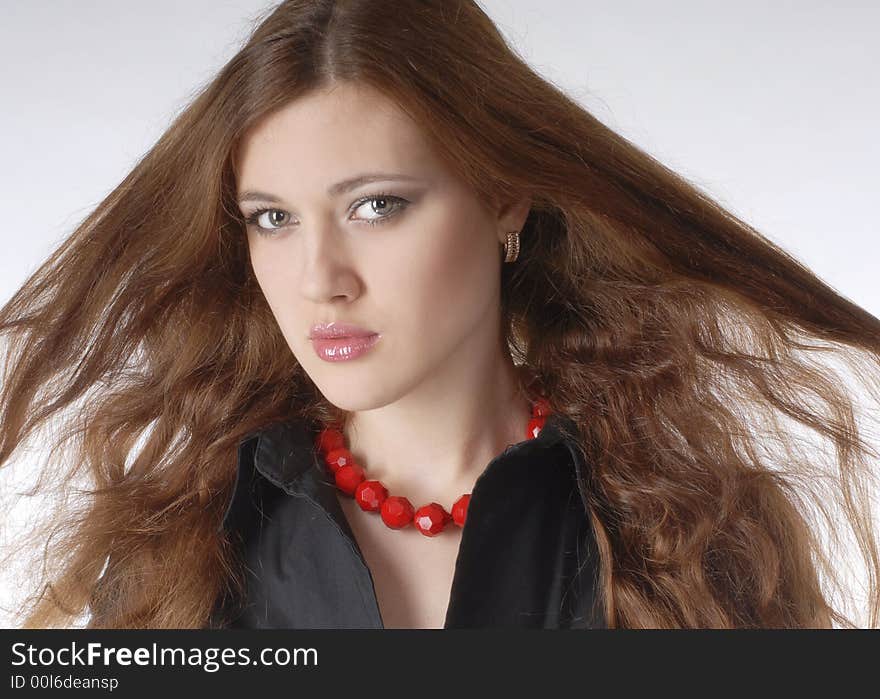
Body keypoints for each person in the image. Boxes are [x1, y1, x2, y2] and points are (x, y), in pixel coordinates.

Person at [1, 0, 878, 629]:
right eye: (273, 217)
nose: (321, 279)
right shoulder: (179, 555)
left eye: (377, 206)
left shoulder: (701, 538)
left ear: (505, 201)